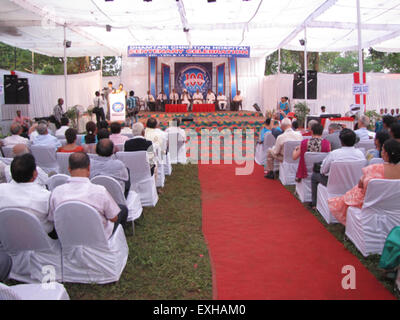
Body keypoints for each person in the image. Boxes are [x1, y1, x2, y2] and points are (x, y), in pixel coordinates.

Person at [48, 152, 128, 239]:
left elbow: (53, 219)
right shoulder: (100, 191)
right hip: (98, 237)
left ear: (69, 169)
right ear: (89, 168)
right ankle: (118, 239)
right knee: (123, 209)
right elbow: (114, 218)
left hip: (70, 236)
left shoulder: (56, 192)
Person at [328, 139, 400, 225]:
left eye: (383, 150)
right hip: (394, 204)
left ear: (386, 154)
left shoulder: (374, 169)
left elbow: (362, 187)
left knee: (354, 192)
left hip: (373, 203)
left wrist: (362, 179)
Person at [0, 153, 55, 237]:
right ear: (35, 174)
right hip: (40, 238)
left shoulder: (1, 189)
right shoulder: (46, 196)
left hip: (9, 236)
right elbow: (53, 218)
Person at [310, 129, 365, 208]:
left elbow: (323, 170)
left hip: (334, 185)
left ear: (341, 141)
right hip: (354, 183)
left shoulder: (334, 154)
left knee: (315, 176)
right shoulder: (360, 154)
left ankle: (314, 204)